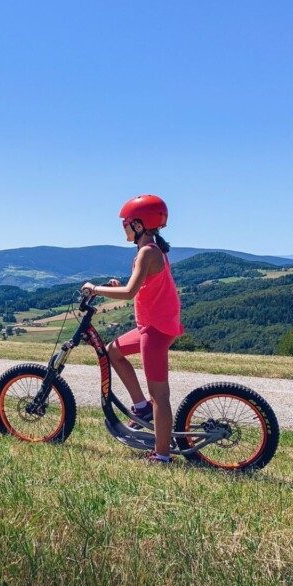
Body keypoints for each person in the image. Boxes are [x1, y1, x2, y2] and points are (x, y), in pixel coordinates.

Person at [81, 194, 184, 464]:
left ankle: (162, 455)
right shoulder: (151, 250)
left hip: (155, 331)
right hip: (152, 326)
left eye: (126, 223)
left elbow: (130, 293)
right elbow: (142, 288)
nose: (123, 227)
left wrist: (95, 289)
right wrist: (116, 287)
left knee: (160, 396)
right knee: (113, 351)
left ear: (139, 225)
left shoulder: (148, 252)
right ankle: (141, 408)